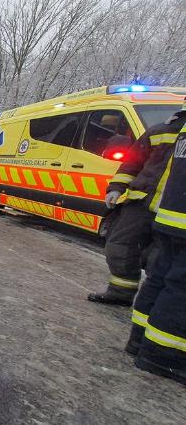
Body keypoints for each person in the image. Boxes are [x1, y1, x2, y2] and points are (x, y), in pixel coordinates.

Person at [88, 111, 186, 306]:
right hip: (141, 201)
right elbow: (132, 163)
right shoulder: (160, 131)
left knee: (160, 258)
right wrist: (116, 188)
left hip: (174, 210)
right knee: (119, 245)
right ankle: (120, 292)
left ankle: (155, 300)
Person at [129, 111, 186, 386]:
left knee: (161, 279)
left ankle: (139, 339)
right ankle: (164, 356)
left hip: (170, 214)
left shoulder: (181, 128)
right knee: (179, 287)